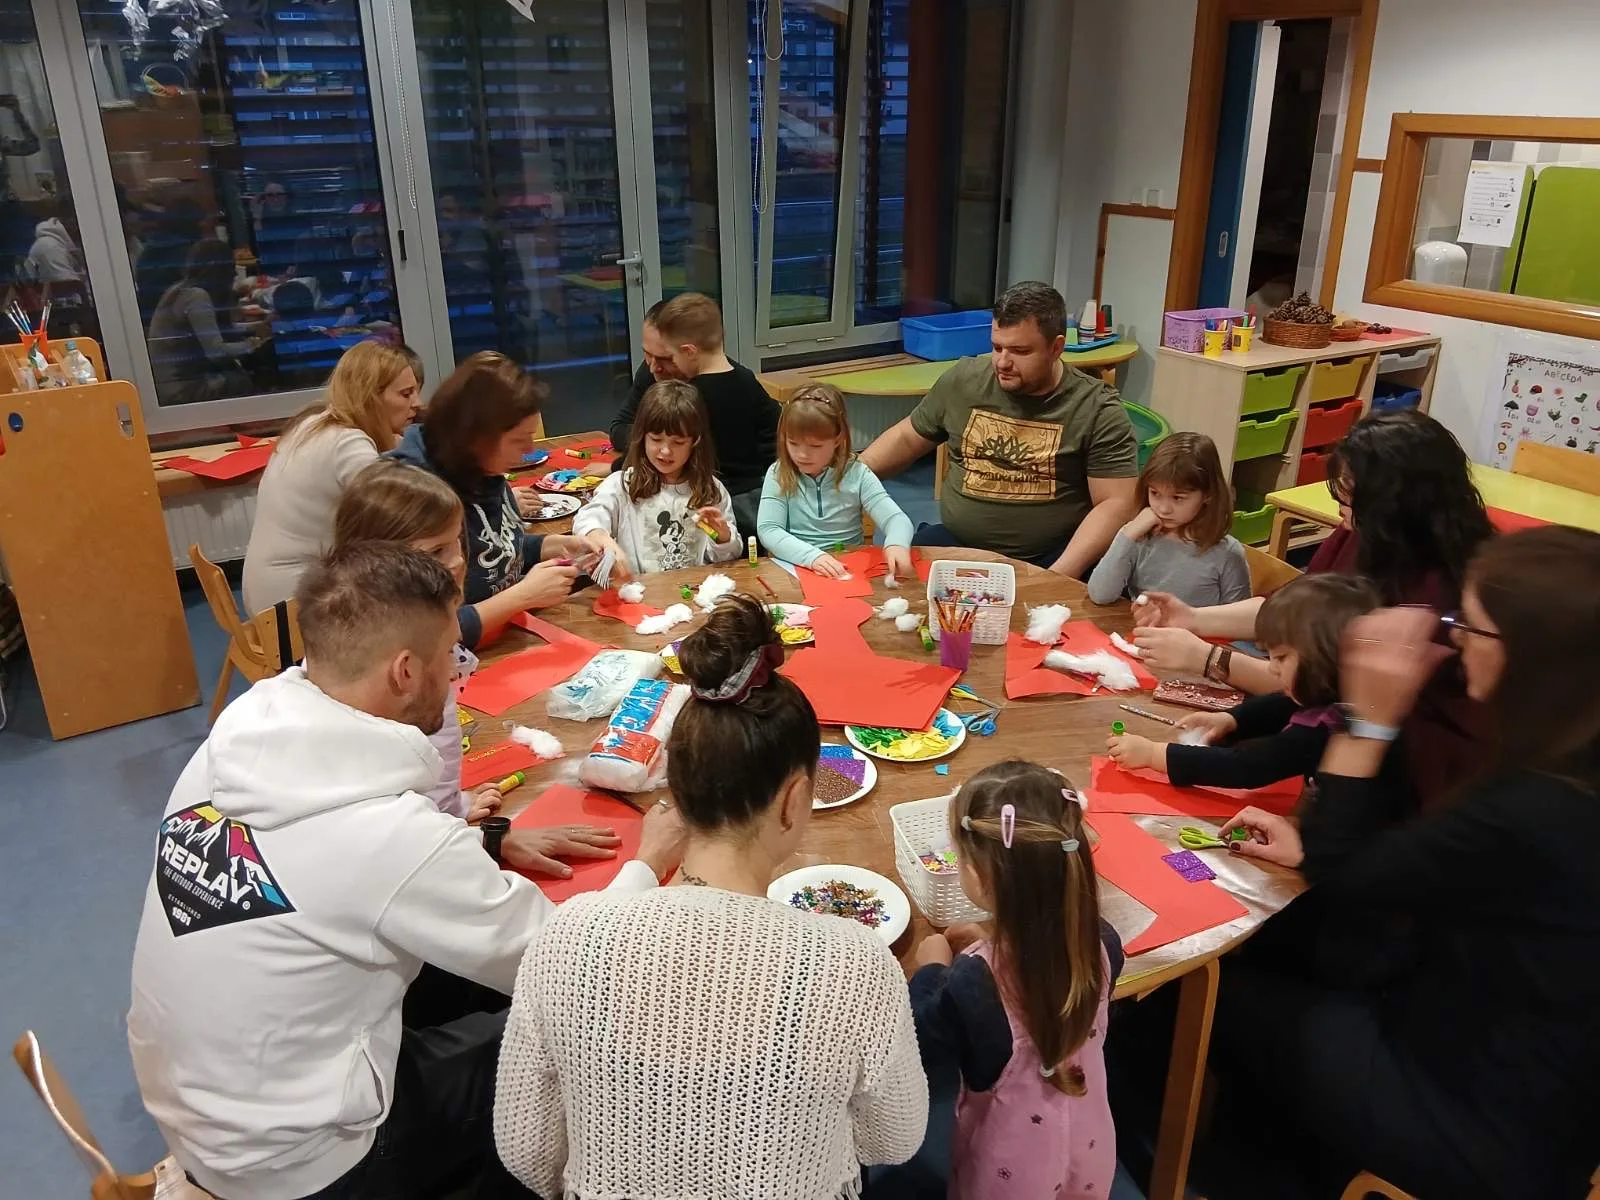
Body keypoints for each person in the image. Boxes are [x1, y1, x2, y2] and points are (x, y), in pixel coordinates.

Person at [127, 542, 683, 1200]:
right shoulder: (386, 833)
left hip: (202, 1109)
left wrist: (480, 849)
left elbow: (339, 878)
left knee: (466, 989)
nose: (458, 670)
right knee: (575, 1040)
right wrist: (647, 862)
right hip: (304, 1163)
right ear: (404, 672)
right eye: (452, 653)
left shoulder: (232, 745)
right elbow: (574, 965)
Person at [1204, 527, 1600, 1199]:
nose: (1456, 641)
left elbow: (1348, 875)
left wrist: (1368, 718)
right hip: (1544, 1090)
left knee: (1214, 998)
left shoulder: (1537, 804)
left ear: (1531, 655)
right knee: (1295, 955)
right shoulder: (1568, 765)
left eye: (1469, 626)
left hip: (1478, 1115)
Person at [494, 594, 927, 1199]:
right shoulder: (855, 966)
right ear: (794, 800)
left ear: (674, 785)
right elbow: (893, 1142)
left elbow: (528, 1153)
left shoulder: (568, 937)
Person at [1133, 410, 1494, 804]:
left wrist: (1208, 660)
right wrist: (1194, 618)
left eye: (1350, 490)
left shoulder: (1436, 593)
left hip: (1402, 777)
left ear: (1393, 501)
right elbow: (1292, 609)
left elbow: (1309, 683)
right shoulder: (1361, 532)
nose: (1339, 501)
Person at [907, 761, 1120, 1198]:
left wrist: (931, 969)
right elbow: (1041, 973)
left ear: (978, 878)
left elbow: (921, 1042)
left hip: (1009, 1173)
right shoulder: (1101, 942)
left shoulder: (973, 984)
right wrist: (991, 944)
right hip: (1089, 1152)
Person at [859, 282, 1139, 574]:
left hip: (1050, 557)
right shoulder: (963, 382)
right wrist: (845, 477)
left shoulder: (1097, 408)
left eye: (1020, 351)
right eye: (997, 347)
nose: (1003, 362)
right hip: (958, 544)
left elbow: (1116, 503)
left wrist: (1056, 575)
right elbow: (906, 438)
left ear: (1056, 348)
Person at [1108, 574, 1379, 789]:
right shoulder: (1333, 693)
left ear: (1324, 660)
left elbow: (1248, 767)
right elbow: (1283, 705)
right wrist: (1231, 719)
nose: (1271, 668)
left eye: (1281, 658)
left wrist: (1154, 755)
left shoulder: (1329, 726)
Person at [389, 350, 585, 644]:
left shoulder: (482, 466)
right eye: (519, 440)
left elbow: (492, 551)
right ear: (477, 436)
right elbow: (424, 633)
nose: (529, 450)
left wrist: (550, 546)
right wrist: (523, 596)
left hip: (505, 637)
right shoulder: (412, 494)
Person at [242, 340, 425, 613]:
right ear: (371, 397)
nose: (417, 403)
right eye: (406, 394)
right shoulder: (348, 443)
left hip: (266, 590)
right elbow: (401, 515)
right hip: (293, 603)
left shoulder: (314, 422)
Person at [607, 292, 780, 539]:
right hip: (754, 503)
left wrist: (618, 467)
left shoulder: (693, 397)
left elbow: (675, 456)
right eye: (648, 355)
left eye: (670, 357)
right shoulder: (743, 380)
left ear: (688, 351)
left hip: (718, 507)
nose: (654, 367)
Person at [573, 379, 741, 582]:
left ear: (695, 442)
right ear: (642, 437)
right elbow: (588, 519)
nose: (666, 451)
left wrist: (722, 538)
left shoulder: (711, 489)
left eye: (678, 442)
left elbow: (726, 559)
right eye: (656, 439)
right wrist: (600, 537)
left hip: (693, 593)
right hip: (639, 592)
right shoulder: (623, 485)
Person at [757, 382, 915, 581]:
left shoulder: (857, 473)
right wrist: (812, 557)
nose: (802, 454)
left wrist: (897, 544)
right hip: (797, 568)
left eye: (815, 446)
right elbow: (769, 530)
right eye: (793, 443)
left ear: (838, 439)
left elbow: (896, 519)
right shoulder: (778, 473)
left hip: (847, 569)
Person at [1085, 432, 1249, 607]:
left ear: (1207, 495)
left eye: (1177, 498)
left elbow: (1240, 619)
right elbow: (1100, 594)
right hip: (1139, 624)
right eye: (1155, 493)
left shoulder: (1227, 553)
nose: (1163, 509)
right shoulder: (1139, 535)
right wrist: (1128, 533)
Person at [146, 238, 269, 406]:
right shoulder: (197, 297)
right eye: (231, 267)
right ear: (220, 270)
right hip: (182, 390)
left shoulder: (179, 289)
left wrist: (254, 327)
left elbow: (213, 331)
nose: (234, 274)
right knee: (242, 380)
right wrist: (254, 344)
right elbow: (216, 351)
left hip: (167, 385)